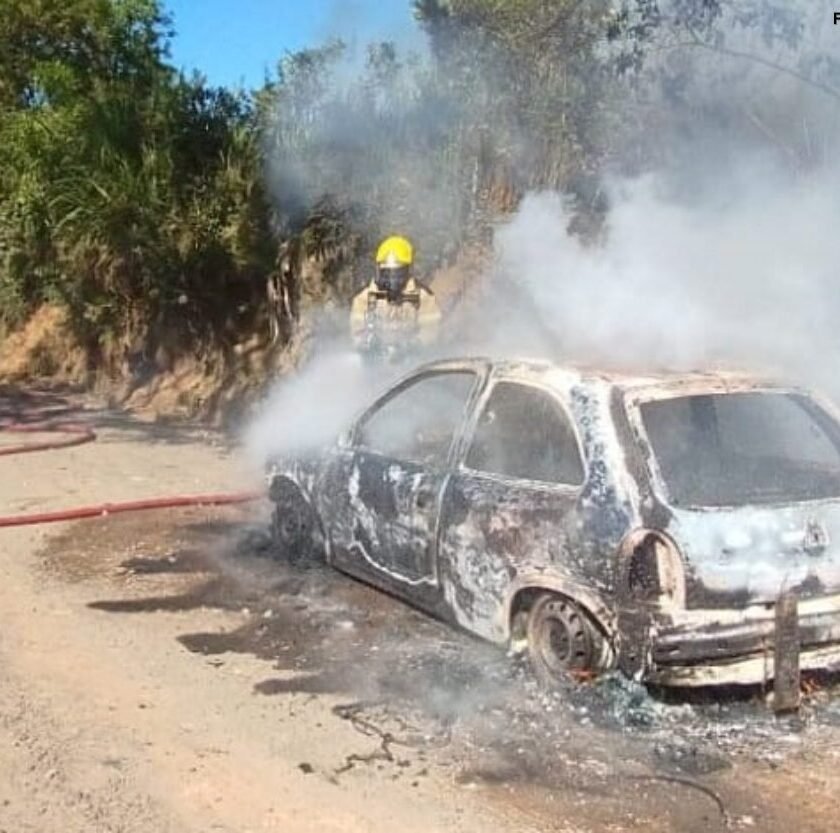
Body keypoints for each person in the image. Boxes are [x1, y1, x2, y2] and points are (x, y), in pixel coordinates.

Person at [350, 235, 441, 361]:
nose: (391, 279)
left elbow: (431, 331)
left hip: (412, 363)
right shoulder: (364, 298)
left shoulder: (423, 296)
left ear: (408, 271)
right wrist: (368, 344)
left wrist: (410, 346)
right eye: (386, 273)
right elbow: (357, 332)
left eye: (397, 273)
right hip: (374, 364)